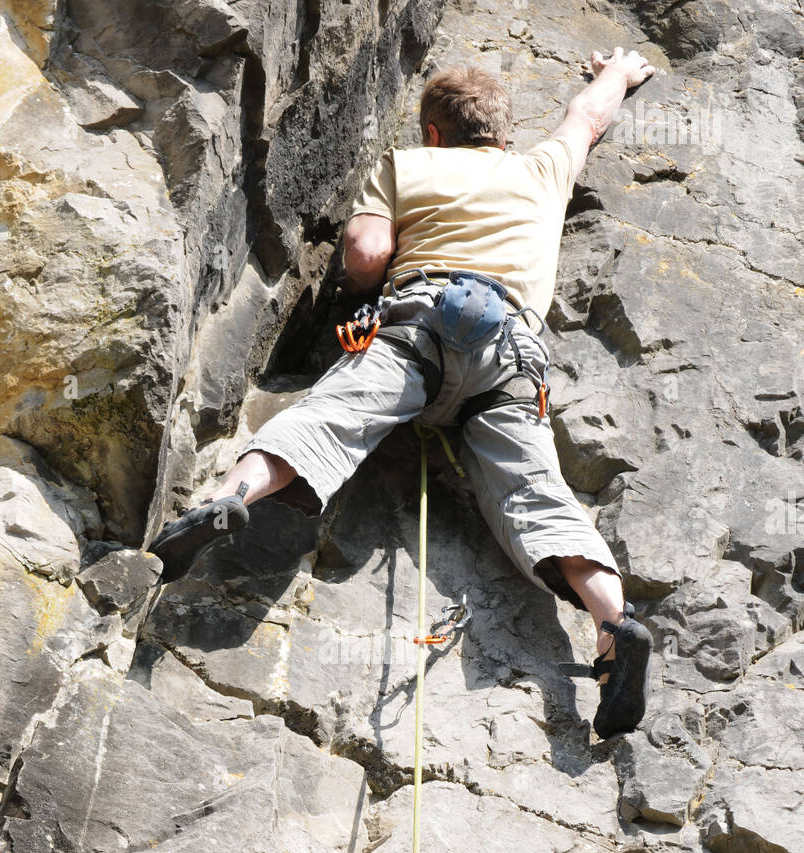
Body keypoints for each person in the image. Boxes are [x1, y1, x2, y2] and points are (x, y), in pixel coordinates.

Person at [151, 48, 657, 737]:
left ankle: (229, 499)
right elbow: (585, 118)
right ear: (501, 132)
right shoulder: (540, 167)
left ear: (434, 132)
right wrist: (618, 75)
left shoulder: (408, 164)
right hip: (509, 352)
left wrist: (355, 294)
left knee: (331, 420)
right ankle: (613, 622)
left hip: (417, 324)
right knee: (534, 491)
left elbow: (363, 249)